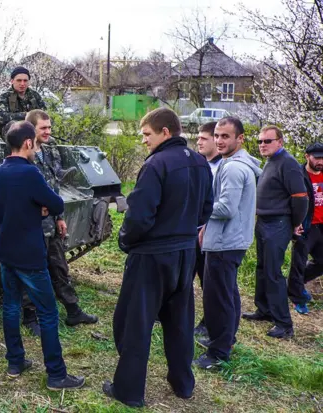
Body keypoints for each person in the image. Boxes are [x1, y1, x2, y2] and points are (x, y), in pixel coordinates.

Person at [103, 108, 213, 408]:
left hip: (152, 256)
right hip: (186, 253)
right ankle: (183, 383)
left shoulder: (157, 164)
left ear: (166, 132)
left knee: (134, 323)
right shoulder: (201, 162)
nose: (143, 141)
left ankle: (128, 390)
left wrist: (126, 240)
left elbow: (139, 215)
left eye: (147, 134)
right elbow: (207, 208)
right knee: (179, 322)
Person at [0, 120, 85, 391]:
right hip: (30, 253)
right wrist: (40, 208)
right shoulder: (31, 173)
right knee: (47, 312)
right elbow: (55, 203)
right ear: (28, 143)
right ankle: (56, 374)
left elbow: (3, 210)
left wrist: (34, 208)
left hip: (7, 250)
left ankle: (15, 361)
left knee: (10, 307)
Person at [21, 109, 97, 335]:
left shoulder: (48, 152)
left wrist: (60, 217)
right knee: (33, 270)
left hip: (51, 221)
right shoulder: (23, 153)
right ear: (31, 129)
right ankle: (29, 316)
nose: (48, 131)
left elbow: (54, 186)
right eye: (43, 128)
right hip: (33, 223)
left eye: (49, 127)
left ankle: (73, 310)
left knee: (59, 266)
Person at [194, 117, 262, 369]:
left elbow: (226, 208)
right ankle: (226, 339)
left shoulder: (233, 168)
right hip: (230, 239)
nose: (220, 141)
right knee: (228, 294)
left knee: (217, 298)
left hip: (225, 242)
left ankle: (218, 353)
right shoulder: (235, 163)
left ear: (240, 138)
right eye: (218, 135)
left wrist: (198, 208)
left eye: (226, 136)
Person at [242, 125, 308, 339]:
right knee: (262, 268)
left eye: (267, 141)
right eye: (260, 141)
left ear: (280, 142)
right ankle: (265, 310)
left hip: (278, 223)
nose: (262, 145)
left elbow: (300, 197)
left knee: (273, 272)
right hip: (264, 221)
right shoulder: (272, 161)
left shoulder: (287, 163)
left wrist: (294, 224)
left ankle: (284, 324)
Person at [193, 121, 222, 337]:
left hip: (210, 234)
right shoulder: (198, 164)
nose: (198, 142)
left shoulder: (223, 167)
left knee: (208, 281)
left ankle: (209, 321)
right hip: (192, 231)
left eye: (204, 138)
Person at [288, 142, 323, 315]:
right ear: (307, 156)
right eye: (317, 157)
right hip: (305, 225)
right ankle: (298, 299)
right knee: (298, 264)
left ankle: (295, 286)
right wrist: (295, 221)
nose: (320, 161)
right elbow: (291, 200)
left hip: (321, 226)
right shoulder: (299, 176)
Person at [0, 67, 46, 137]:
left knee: (50, 142)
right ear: (12, 81)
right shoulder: (5, 96)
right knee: (13, 125)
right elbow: (2, 117)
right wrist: (27, 115)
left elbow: (44, 115)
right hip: (12, 131)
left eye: (25, 81)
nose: (22, 84)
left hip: (32, 130)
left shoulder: (34, 95)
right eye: (19, 80)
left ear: (29, 82)